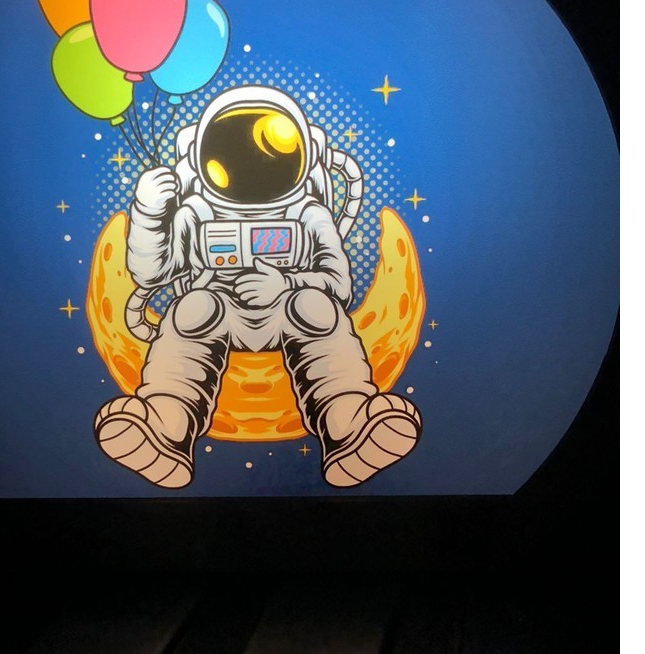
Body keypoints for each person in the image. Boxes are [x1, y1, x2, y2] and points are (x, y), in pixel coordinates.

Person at [94, 85, 421, 488]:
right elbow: (152, 275)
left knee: (316, 308)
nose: (250, 161)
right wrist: (148, 214)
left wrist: (285, 283)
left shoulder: (309, 212)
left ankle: (347, 421)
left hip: (289, 311)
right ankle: (167, 423)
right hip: (218, 311)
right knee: (193, 309)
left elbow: (338, 285)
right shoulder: (195, 211)